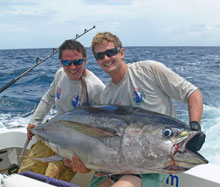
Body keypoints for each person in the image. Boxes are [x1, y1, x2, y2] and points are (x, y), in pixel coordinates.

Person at [64, 32, 206, 187]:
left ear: (122, 53)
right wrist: (85, 166)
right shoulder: (106, 97)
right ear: (96, 61)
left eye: (110, 52)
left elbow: (192, 94)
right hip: (115, 165)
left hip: (150, 165)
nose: (106, 58)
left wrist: (194, 125)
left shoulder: (150, 70)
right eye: (100, 56)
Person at [18, 39, 105, 182]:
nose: (72, 67)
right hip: (52, 132)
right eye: (66, 63)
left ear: (85, 59)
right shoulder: (60, 74)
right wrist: (35, 121)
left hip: (74, 146)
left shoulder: (96, 88)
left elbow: (99, 129)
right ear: (61, 62)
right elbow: (49, 97)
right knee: (25, 173)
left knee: (50, 181)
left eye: (77, 62)